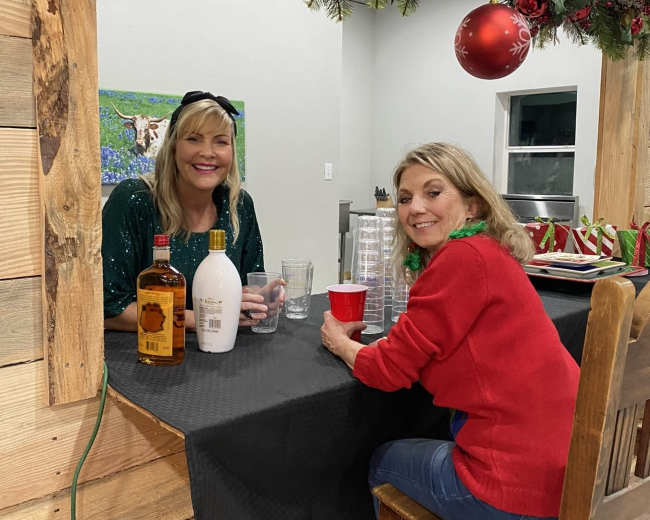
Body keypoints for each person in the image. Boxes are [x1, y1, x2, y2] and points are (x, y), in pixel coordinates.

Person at [320, 143, 579, 520]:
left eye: (433, 192)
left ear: (473, 204)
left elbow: (388, 370)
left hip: (515, 485)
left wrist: (340, 343)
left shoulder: (460, 259)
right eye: (405, 198)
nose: (416, 208)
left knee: (382, 460)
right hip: (567, 469)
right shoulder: (487, 250)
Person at [103, 90, 270, 330]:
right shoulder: (134, 200)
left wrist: (261, 300)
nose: (207, 152)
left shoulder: (239, 205)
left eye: (221, 141)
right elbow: (109, 308)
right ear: (173, 146)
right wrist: (204, 318)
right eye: (193, 139)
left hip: (227, 355)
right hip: (148, 358)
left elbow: (248, 291)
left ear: (232, 152)